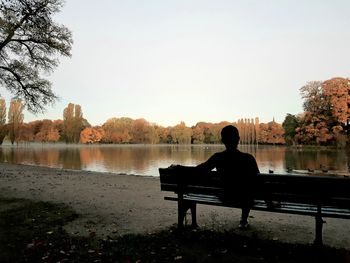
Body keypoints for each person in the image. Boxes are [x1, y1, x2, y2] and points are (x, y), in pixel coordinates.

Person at [196, 125, 259, 228]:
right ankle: (243, 220)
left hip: (225, 196)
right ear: (238, 139)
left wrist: (179, 168)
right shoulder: (248, 158)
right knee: (247, 190)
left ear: (222, 140)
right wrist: (269, 201)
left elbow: (201, 169)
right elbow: (259, 182)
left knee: (245, 190)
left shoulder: (217, 157)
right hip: (244, 198)